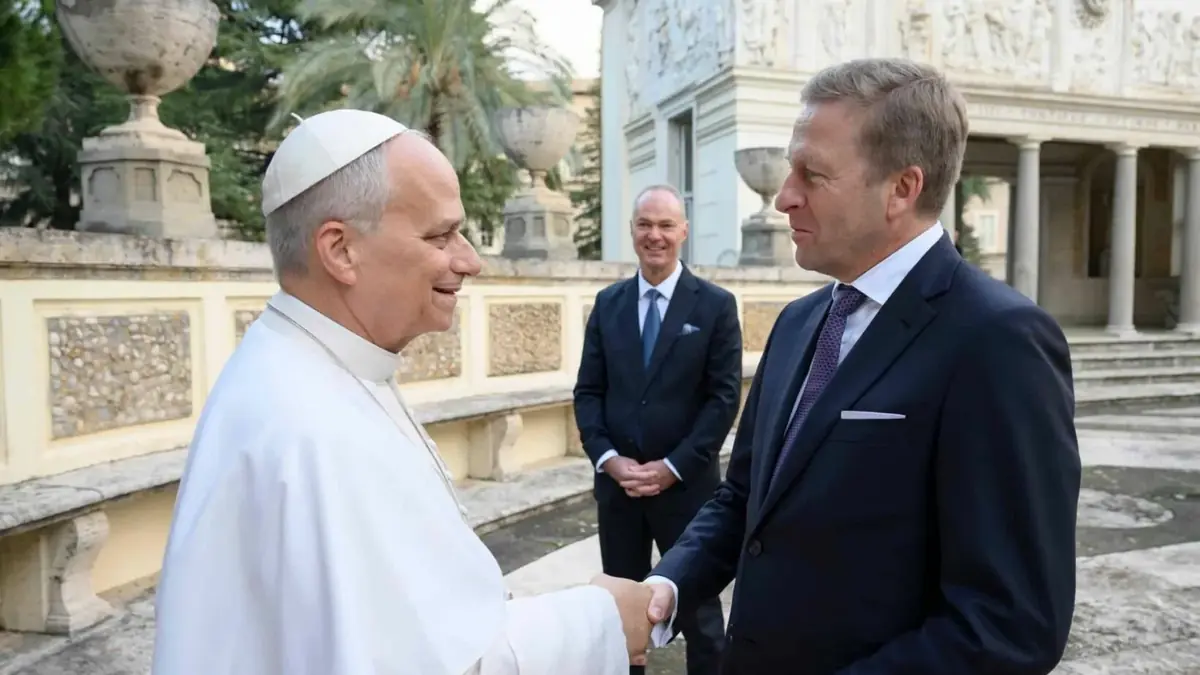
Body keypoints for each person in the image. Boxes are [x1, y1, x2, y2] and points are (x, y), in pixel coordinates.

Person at [151, 109, 654, 675]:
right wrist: (602, 620)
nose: (470, 261)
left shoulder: (316, 372)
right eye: (441, 235)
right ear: (340, 250)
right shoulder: (310, 427)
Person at [642, 58, 1082, 674]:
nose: (784, 195)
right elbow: (746, 497)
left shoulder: (998, 341)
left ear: (902, 188)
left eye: (812, 174)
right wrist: (666, 588)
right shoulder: (798, 322)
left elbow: (1010, 624)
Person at [574, 185, 742, 675]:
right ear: (632, 231)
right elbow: (589, 392)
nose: (655, 235)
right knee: (618, 619)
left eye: (666, 225)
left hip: (687, 493)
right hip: (620, 492)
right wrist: (609, 460)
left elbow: (723, 399)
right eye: (645, 225)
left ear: (683, 231)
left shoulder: (715, 306)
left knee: (703, 619)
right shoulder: (608, 303)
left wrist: (673, 467)